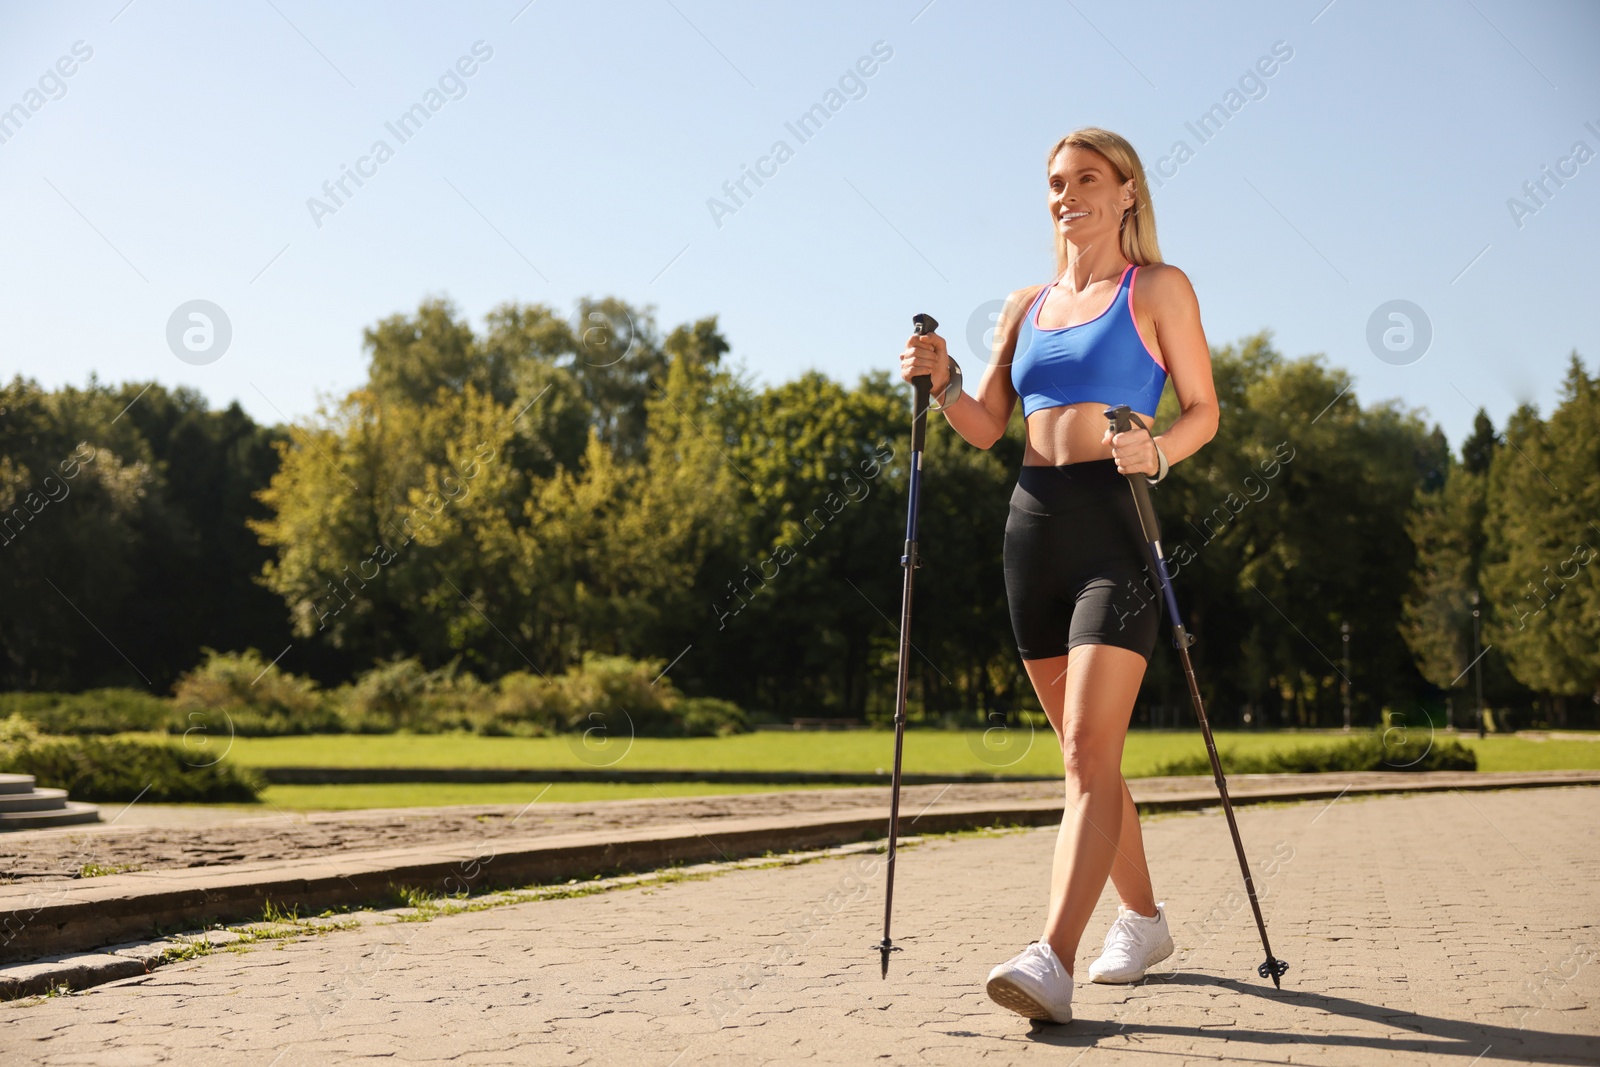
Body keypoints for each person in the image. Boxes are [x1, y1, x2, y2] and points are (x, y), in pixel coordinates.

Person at [896, 127, 1219, 1024]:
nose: (1065, 194)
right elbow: (986, 425)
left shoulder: (1157, 289)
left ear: (1126, 194)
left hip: (1117, 532)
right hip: (1032, 531)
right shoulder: (1025, 303)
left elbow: (1204, 411)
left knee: (1085, 753)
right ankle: (1145, 919)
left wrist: (1156, 451)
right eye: (1054, 182)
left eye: (1085, 178)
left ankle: (1051, 957)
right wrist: (944, 379)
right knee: (1092, 758)